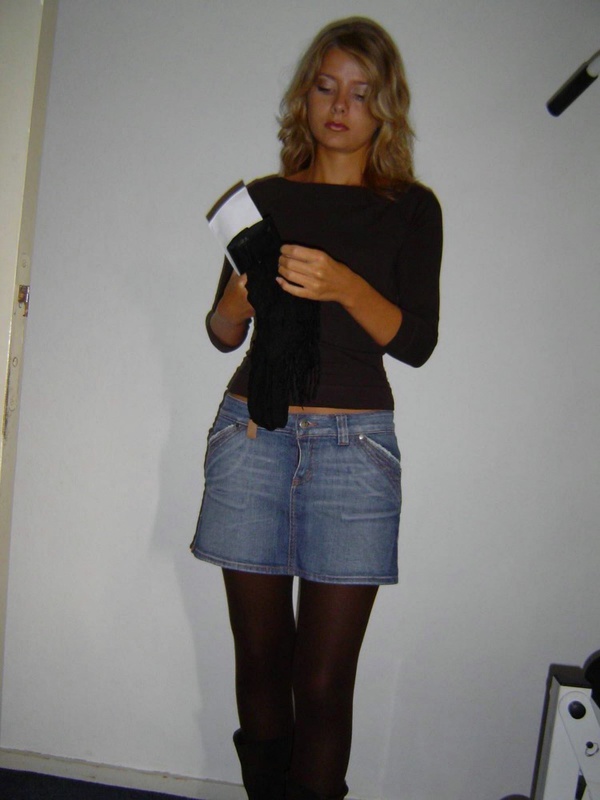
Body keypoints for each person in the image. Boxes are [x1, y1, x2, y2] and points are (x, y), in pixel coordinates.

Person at [191, 16, 443, 800]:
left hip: (353, 450)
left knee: (325, 681)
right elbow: (221, 335)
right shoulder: (262, 201)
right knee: (260, 661)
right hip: (251, 435)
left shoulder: (410, 208)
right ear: (304, 97)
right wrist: (233, 305)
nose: (340, 106)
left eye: (361, 94)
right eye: (327, 87)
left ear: (385, 109)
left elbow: (417, 343)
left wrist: (344, 286)